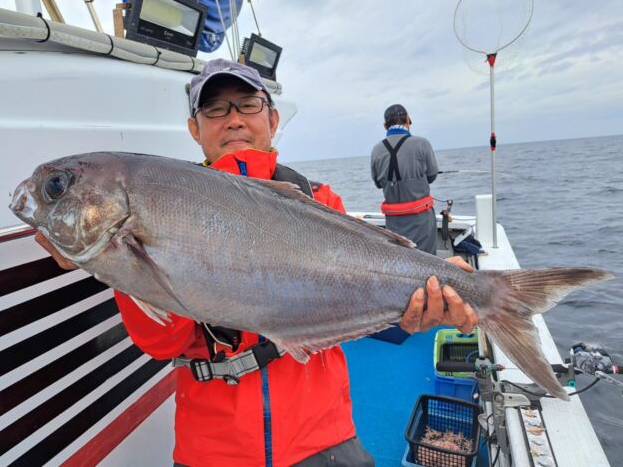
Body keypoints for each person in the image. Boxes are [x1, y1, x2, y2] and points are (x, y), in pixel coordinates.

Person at [35, 59, 477, 467]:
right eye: (214, 109)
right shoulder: (165, 202)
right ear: (194, 128)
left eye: (248, 104)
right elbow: (163, 343)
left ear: (273, 119)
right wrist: (114, 262)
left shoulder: (320, 200)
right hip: (213, 448)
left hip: (322, 436)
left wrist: (419, 307)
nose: (233, 119)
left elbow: (364, 301)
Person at [370, 104, 440, 254]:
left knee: (399, 258)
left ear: (385, 126)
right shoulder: (423, 143)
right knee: (426, 259)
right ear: (407, 120)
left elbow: (378, 183)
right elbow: (432, 176)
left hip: (393, 222)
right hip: (421, 220)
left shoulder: (376, 150)